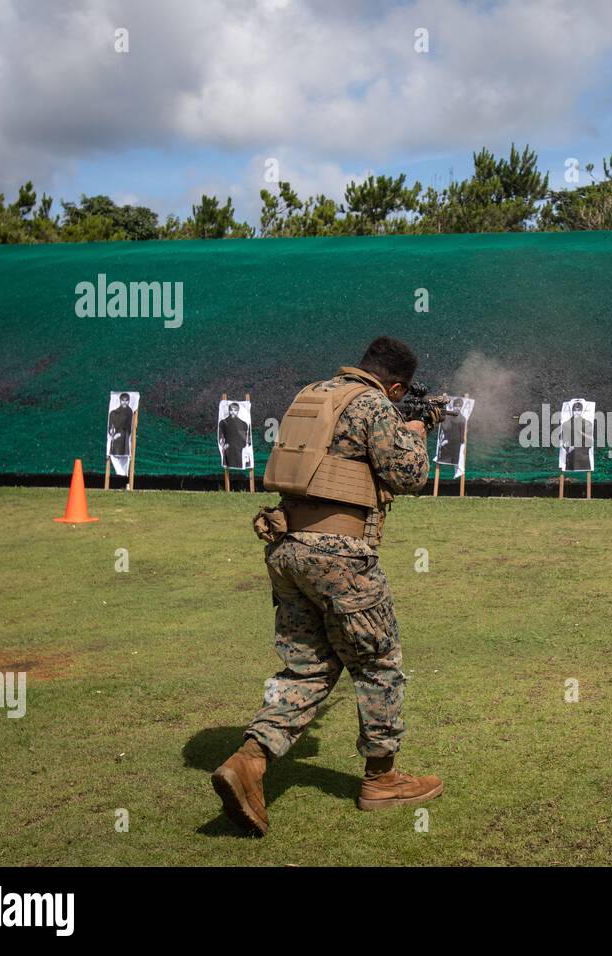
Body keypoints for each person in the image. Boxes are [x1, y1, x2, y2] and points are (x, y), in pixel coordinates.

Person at [211, 336, 444, 837]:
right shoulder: (374, 404)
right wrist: (420, 428)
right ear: (396, 385)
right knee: (378, 662)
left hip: (287, 545)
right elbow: (408, 475)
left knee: (308, 667)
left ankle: (248, 760)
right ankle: (382, 779)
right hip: (338, 555)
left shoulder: (313, 393)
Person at [434, 397, 466, 469]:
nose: (457, 408)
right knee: (442, 459)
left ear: (461, 407)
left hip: (456, 446)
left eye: (459, 406)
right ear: (453, 406)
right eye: (456, 406)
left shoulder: (463, 419)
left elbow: (462, 435)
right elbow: (444, 428)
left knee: (455, 461)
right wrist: (444, 441)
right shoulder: (447, 416)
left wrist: (461, 442)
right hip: (446, 445)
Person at [561, 401, 593, 472]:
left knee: (585, 472)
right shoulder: (566, 424)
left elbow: (590, 441)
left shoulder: (587, 423)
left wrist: (581, 433)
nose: (576, 412)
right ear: (572, 411)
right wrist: (567, 447)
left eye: (579, 410)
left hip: (583, 455)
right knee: (569, 471)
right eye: (575, 410)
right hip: (570, 454)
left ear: (581, 411)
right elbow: (563, 440)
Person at [218, 402, 251, 469]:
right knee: (227, 465)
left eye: (235, 410)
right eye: (231, 410)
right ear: (229, 410)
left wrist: (244, 446)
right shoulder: (223, 422)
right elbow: (221, 436)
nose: (233, 412)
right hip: (228, 448)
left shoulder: (243, 423)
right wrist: (223, 444)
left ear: (238, 411)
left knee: (238, 464)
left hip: (239, 449)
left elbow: (245, 438)